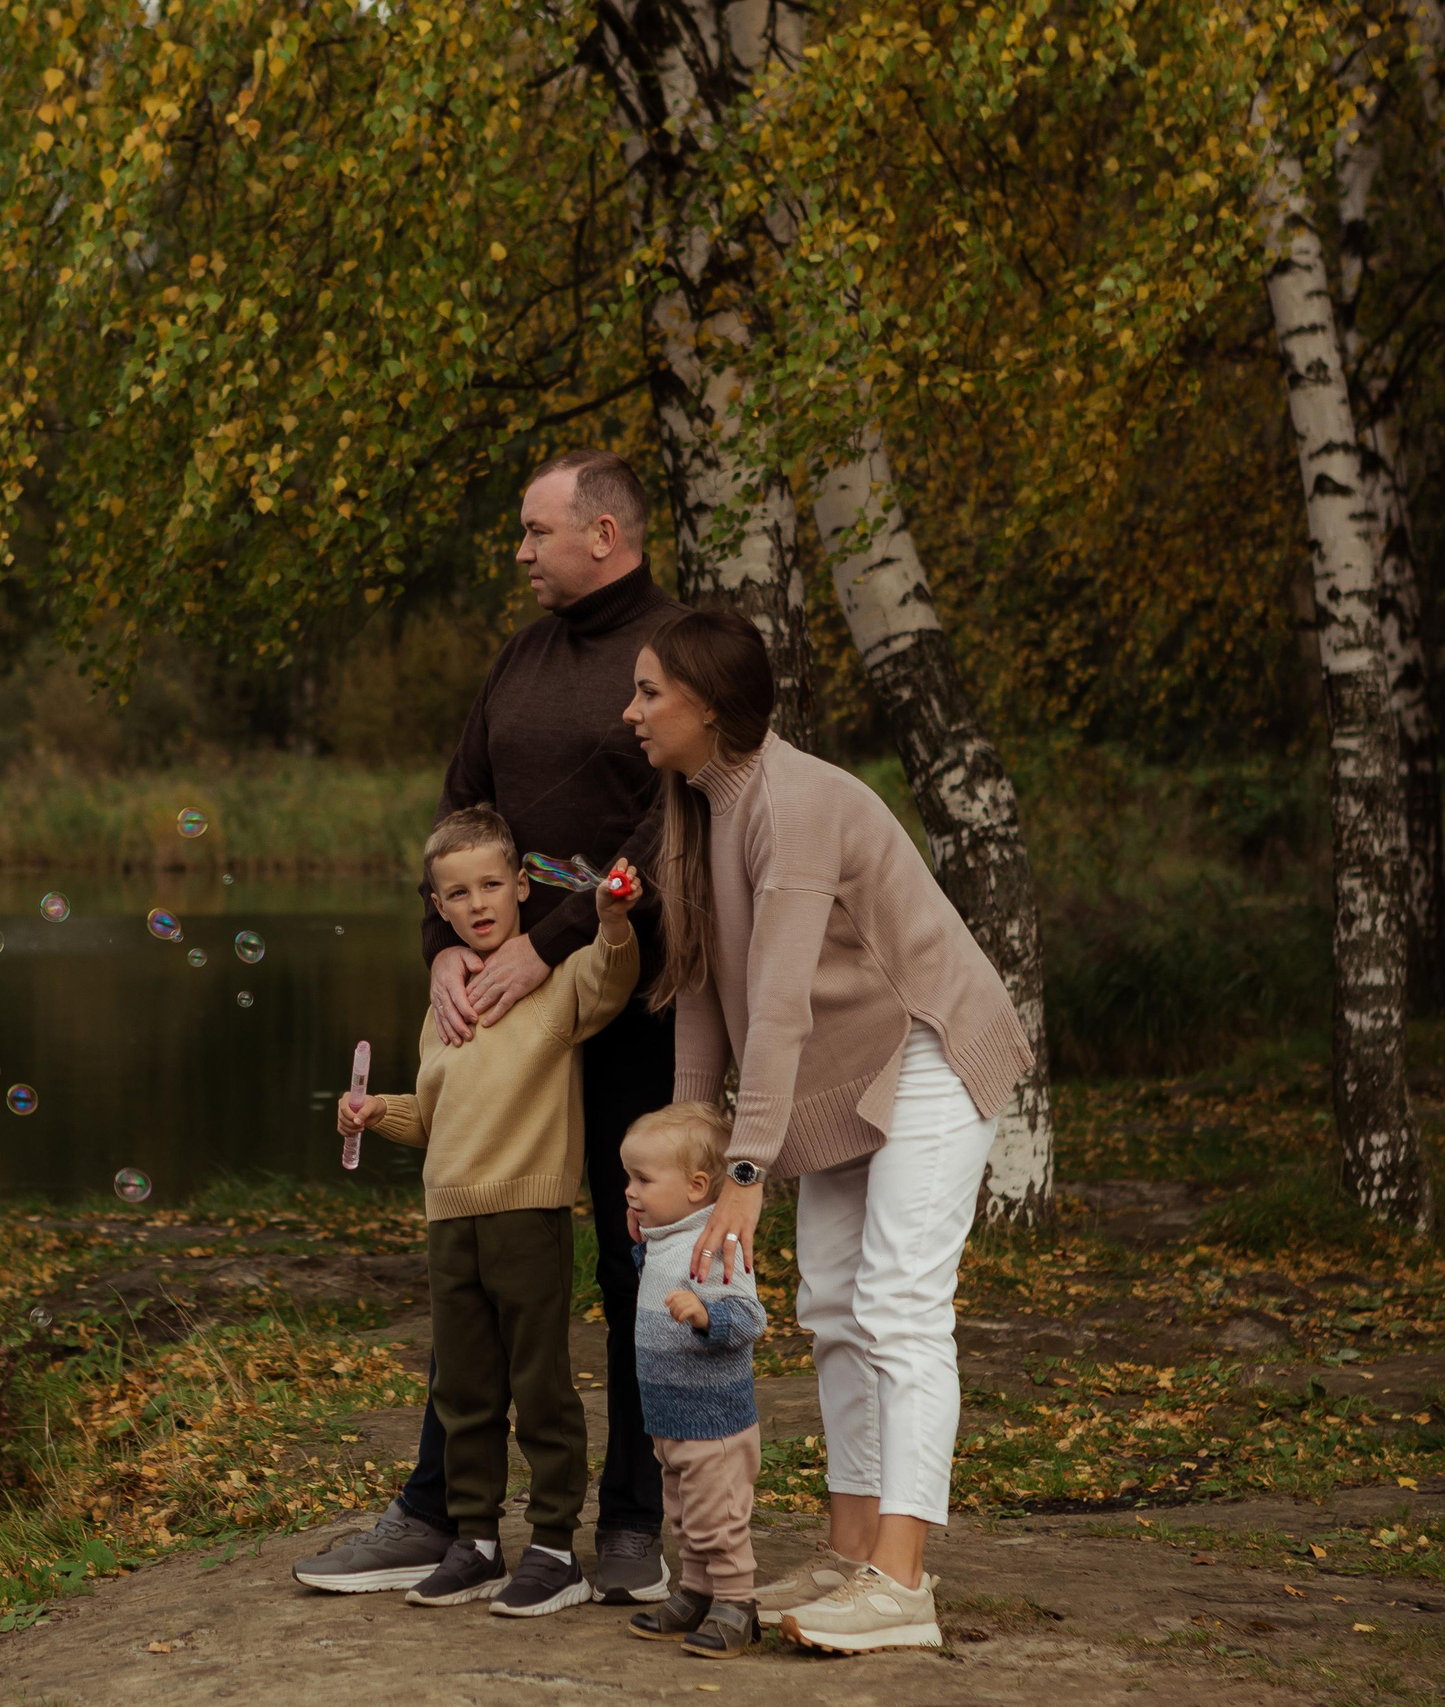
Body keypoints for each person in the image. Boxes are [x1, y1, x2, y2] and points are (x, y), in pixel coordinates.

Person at [295, 449, 681, 1604]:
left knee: (624, 1258)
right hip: (496, 1010)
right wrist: (442, 964)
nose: (519, 551)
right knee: (471, 1260)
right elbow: (456, 816)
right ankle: (441, 1514)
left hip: (623, 999)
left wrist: (542, 944)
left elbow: (668, 829)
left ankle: (622, 1521)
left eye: (534, 530)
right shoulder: (519, 657)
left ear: (603, 534)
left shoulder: (670, 653)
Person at [621, 606, 1033, 1654]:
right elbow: (709, 1003)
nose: (630, 712)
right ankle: (853, 1554)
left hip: (928, 1046)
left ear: (708, 707)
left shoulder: (796, 803)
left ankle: (901, 1583)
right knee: (831, 1304)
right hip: (848, 1078)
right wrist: (696, 1153)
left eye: (648, 692)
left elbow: (785, 998)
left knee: (899, 1303)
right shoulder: (704, 811)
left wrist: (748, 1169)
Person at [336, 807, 640, 1617]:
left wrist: (609, 918)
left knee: (540, 1384)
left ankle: (552, 1547)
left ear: (521, 886)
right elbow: (436, 1116)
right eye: (458, 892)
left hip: (528, 1214)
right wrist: (377, 1115)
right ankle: (473, 1540)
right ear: (438, 908)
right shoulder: (444, 1007)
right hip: (450, 1223)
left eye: (492, 885)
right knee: (464, 1390)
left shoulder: (552, 981)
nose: (477, 902)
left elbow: (611, 977)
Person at [616, 1102, 768, 1659]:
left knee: (719, 1518)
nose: (630, 1190)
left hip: (713, 1422)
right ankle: (697, 1592)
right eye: (628, 1177)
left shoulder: (718, 1243)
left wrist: (708, 1317)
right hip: (669, 1417)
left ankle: (736, 1602)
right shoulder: (665, 1239)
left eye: (643, 1179)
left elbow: (751, 1319)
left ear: (697, 1185)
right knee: (683, 1515)